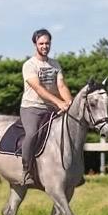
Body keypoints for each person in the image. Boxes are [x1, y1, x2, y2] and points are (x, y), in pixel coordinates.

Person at [20, 28, 73, 185]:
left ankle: (72, 170)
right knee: (31, 134)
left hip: (52, 109)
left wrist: (70, 103)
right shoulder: (29, 65)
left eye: (47, 43)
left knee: (70, 133)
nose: (45, 46)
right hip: (32, 108)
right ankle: (26, 170)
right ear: (35, 44)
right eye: (41, 43)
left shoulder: (55, 64)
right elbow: (39, 89)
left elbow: (61, 86)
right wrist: (59, 102)